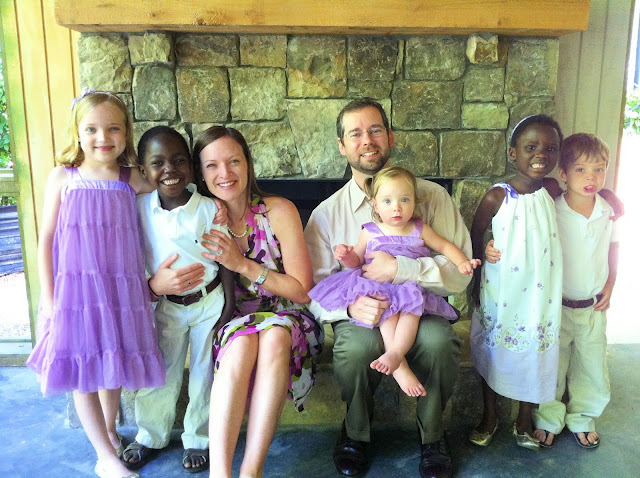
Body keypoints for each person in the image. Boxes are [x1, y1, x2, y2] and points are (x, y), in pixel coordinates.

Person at [305, 98, 471, 478]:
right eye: (355, 134)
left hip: (420, 306)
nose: (367, 140)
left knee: (439, 343)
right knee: (355, 347)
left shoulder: (432, 198)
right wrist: (349, 309)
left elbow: (460, 272)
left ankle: (433, 436)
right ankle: (355, 433)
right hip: (362, 313)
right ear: (342, 146)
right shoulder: (327, 214)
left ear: (390, 137)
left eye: (375, 130)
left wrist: (402, 269)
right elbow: (314, 288)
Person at [25, 88, 165, 478]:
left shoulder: (131, 178)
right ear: (77, 132)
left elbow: (169, 196)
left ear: (126, 133)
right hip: (75, 292)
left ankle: (108, 430)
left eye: (113, 128)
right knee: (82, 369)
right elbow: (45, 241)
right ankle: (105, 456)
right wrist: (49, 297)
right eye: (91, 129)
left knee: (112, 359)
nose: (103, 138)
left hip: (120, 289)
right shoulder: (63, 177)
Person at [192, 126, 323, 478]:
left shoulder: (279, 210)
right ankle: (220, 474)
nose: (225, 173)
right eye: (212, 165)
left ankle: (251, 472)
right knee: (241, 342)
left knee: (276, 334)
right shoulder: (199, 218)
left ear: (248, 164)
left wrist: (243, 265)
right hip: (232, 320)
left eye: (234, 161)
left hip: (288, 315)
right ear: (200, 174)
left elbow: (302, 291)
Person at [309, 166, 480, 398]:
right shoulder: (370, 231)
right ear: (376, 205)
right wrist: (346, 255)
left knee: (411, 314)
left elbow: (444, 246)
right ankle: (400, 368)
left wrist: (462, 263)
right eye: (388, 201)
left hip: (409, 288)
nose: (396, 207)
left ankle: (396, 353)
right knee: (387, 317)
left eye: (404, 200)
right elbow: (357, 259)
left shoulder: (420, 228)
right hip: (379, 290)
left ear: (414, 202)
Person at [121, 126, 235, 473]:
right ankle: (150, 434)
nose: (169, 169)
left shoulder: (208, 209)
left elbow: (225, 259)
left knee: (204, 374)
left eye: (179, 160)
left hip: (209, 303)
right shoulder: (139, 208)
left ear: (191, 165)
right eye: (157, 163)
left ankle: (198, 438)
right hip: (166, 306)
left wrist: (229, 305)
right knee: (161, 370)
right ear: (143, 169)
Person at [469, 115, 564, 450]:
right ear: (513, 153)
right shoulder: (498, 196)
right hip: (504, 290)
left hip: (541, 292)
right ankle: (490, 416)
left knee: (534, 353)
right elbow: (475, 234)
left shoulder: (552, 189)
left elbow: (583, 191)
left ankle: (524, 420)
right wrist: (482, 256)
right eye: (531, 147)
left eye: (550, 149)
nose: (541, 155)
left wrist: (609, 196)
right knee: (494, 351)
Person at [530, 134, 618, 449]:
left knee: (591, 366)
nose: (591, 178)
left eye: (598, 170)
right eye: (581, 170)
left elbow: (613, 248)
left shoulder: (608, 211)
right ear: (563, 174)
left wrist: (611, 284)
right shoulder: (552, 210)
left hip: (593, 306)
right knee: (553, 364)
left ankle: (583, 417)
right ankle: (548, 418)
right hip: (557, 306)